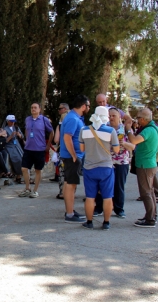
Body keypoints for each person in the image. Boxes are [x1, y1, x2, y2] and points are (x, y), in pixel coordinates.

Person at [78, 106, 120, 230]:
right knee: (107, 197)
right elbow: (116, 150)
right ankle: (106, 223)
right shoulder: (110, 131)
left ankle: (89, 222)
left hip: (89, 167)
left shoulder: (84, 130)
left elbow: (82, 149)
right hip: (106, 167)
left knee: (90, 197)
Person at [124, 108, 158, 228]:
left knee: (146, 192)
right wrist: (156, 160)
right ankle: (151, 215)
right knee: (150, 191)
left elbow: (134, 140)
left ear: (143, 119)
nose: (137, 121)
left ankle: (150, 219)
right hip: (150, 163)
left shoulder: (148, 130)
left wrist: (128, 130)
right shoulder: (156, 128)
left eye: (138, 118)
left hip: (145, 165)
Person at [60, 95, 90, 223]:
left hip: (73, 156)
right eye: (88, 106)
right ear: (83, 106)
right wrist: (74, 155)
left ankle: (70, 210)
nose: (89, 108)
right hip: (72, 157)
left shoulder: (74, 117)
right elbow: (67, 138)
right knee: (70, 185)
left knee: (70, 184)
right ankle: (70, 214)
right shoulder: (73, 119)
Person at [18, 103, 53, 198]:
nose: (33, 109)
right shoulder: (27, 119)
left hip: (39, 149)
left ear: (39, 109)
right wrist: (27, 139)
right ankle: (27, 188)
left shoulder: (44, 119)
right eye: (32, 107)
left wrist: (48, 145)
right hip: (28, 148)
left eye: (35, 108)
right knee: (24, 168)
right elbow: (26, 130)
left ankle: (35, 190)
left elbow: (51, 132)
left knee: (38, 170)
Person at [109, 108, 135, 218]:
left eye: (113, 115)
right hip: (107, 162)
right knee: (104, 186)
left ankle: (119, 209)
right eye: (109, 116)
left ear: (120, 117)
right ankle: (100, 207)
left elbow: (133, 146)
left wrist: (123, 143)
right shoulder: (104, 129)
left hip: (122, 162)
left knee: (119, 186)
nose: (111, 118)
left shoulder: (125, 129)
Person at [0, 115, 24, 184]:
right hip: (10, 146)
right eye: (11, 122)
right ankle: (18, 175)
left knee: (23, 157)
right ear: (8, 121)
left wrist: (19, 135)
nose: (12, 123)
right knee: (17, 159)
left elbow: (22, 136)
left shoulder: (16, 127)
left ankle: (20, 175)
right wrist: (11, 136)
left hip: (17, 145)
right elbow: (5, 141)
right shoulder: (4, 129)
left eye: (13, 122)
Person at [51, 103, 69, 185]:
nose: (58, 110)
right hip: (73, 152)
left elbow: (56, 140)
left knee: (62, 172)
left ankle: (62, 192)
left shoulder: (60, 126)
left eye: (60, 109)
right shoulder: (76, 123)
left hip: (63, 150)